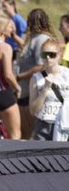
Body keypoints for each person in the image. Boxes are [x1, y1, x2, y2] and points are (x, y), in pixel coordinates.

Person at [15, 8, 57, 140]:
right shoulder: (33, 38)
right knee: (25, 132)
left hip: (33, 91)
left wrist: (19, 77)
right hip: (24, 90)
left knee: (31, 133)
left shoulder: (42, 39)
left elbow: (41, 66)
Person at [30, 40, 68, 141]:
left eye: (52, 55)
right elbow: (33, 111)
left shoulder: (67, 75)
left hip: (65, 123)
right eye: (44, 55)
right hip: (44, 125)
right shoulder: (36, 78)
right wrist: (45, 89)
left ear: (59, 55)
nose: (48, 58)